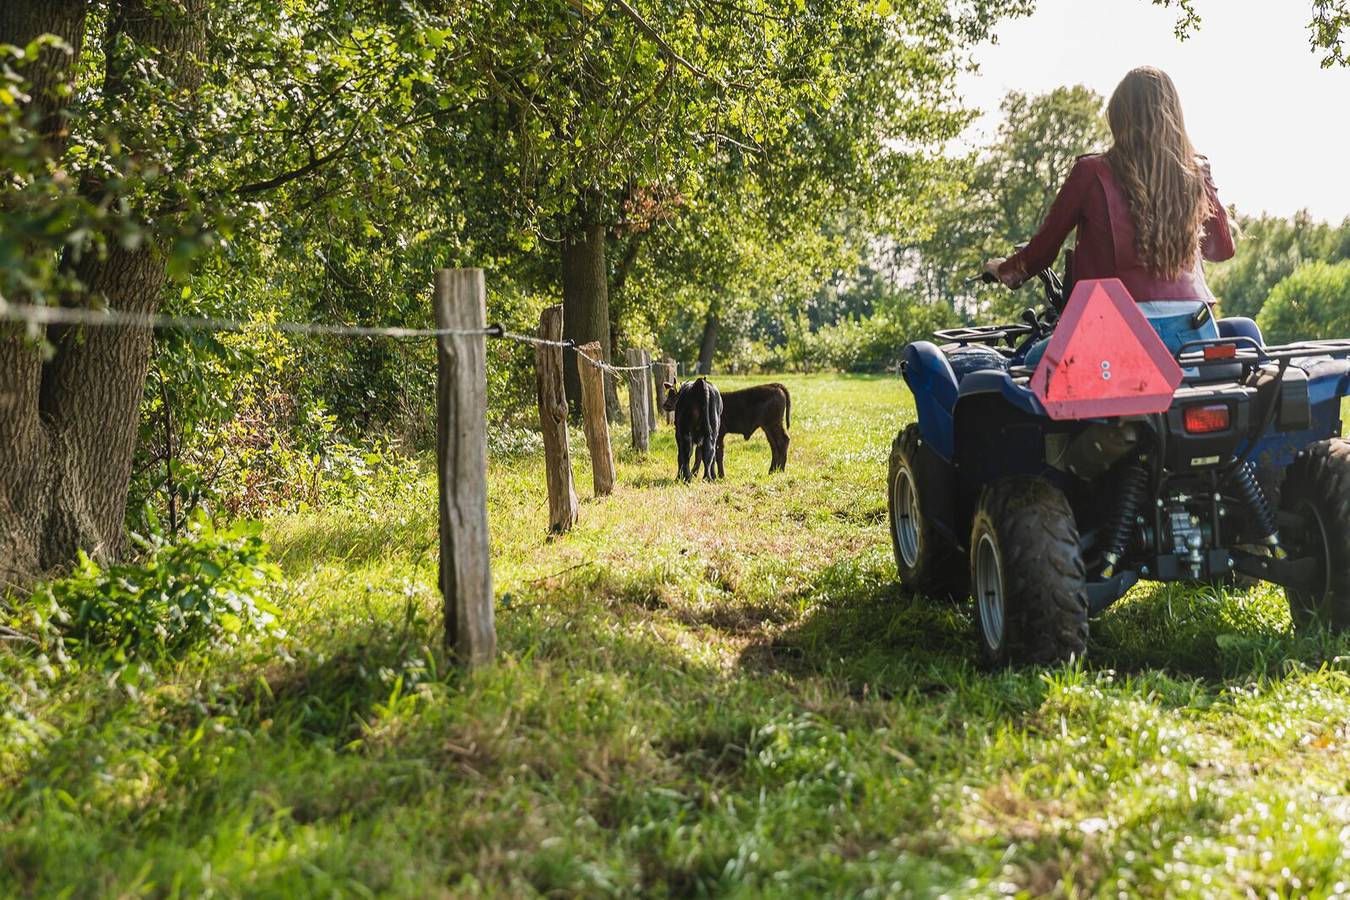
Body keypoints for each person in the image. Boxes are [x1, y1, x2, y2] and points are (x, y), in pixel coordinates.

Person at [983, 66, 1255, 350]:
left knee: (1027, 361)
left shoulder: (1092, 171)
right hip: (1193, 327)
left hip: (1112, 325)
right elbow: (1222, 250)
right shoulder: (1195, 172)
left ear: (1119, 115)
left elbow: (1041, 252)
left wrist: (1004, 269)